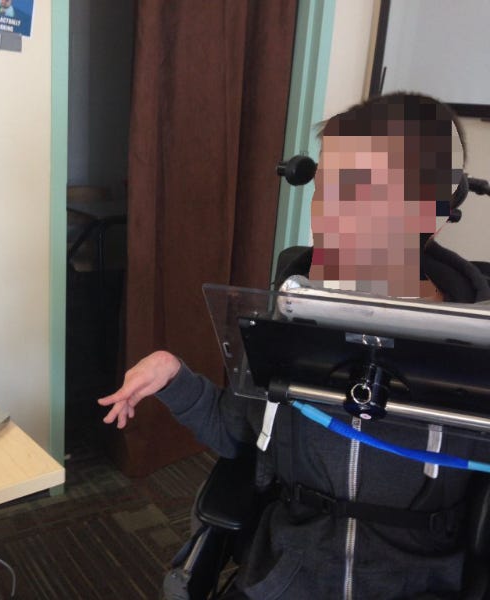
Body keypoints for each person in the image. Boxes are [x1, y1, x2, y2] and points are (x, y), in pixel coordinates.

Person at [99, 92, 490, 598]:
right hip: (289, 577)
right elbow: (238, 436)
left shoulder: (474, 343)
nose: (330, 217)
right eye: (327, 191)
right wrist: (174, 376)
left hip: (423, 584)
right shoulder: (293, 317)